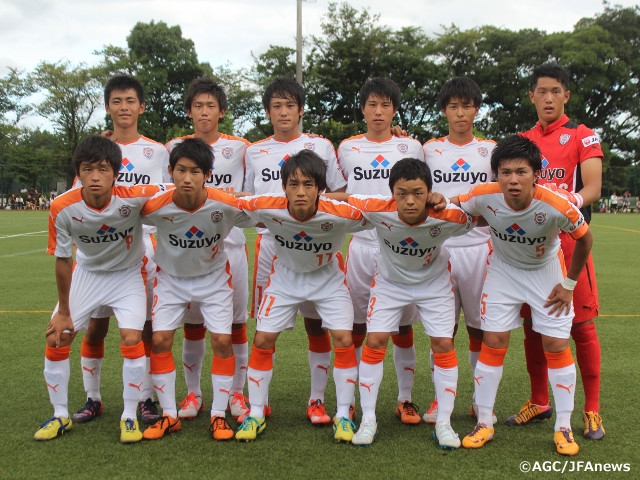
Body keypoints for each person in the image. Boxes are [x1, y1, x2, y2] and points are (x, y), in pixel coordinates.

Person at [457, 135, 593, 456]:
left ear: (535, 174)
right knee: (493, 342)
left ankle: (563, 427)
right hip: (503, 272)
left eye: (521, 172)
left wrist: (570, 284)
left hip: (546, 274)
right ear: (496, 175)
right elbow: (454, 204)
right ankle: (485, 422)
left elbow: (585, 240)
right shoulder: (483, 196)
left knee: (556, 346)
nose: (513, 180)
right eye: (505, 173)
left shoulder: (556, 205)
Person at [327, 158, 476, 448]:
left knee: (443, 344)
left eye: (418, 193)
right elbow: (345, 198)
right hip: (390, 284)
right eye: (402, 193)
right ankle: (369, 419)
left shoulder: (447, 216)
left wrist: (449, 201)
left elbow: (477, 215)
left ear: (430, 191)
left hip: (434, 285)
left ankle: (444, 422)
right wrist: (310, 197)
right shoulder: (377, 208)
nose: (410, 201)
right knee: (376, 340)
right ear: (391, 193)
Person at [235, 149, 370, 443]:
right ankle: (256, 412)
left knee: (344, 339)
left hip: (328, 279)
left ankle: (344, 413)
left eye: (308, 185)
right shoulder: (268, 207)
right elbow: (227, 200)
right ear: (283, 187)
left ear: (321, 189)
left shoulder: (339, 212)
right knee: (263, 339)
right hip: (285, 278)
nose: (300, 192)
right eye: (293, 184)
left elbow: (381, 208)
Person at [35, 135, 159, 443]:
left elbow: (178, 192)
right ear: (78, 172)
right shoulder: (62, 207)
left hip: (127, 275)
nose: (94, 176)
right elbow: (63, 260)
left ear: (116, 174)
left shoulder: (134, 197)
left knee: (132, 338)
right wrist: (63, 311)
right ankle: (62, 413)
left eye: (102, 169)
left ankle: (129, 415)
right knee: (57, 336)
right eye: (87, 169)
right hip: (87, 274)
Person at [243, 77, 347, 424]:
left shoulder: (320, 145)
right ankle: (260, 402)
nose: (283, 112)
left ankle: (317, 400)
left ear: (301, 110)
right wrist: (276, 217)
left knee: (317, 327)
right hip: (275, 248)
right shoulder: (254, 150)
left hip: (317, 246)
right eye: (276, 106)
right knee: (265, 329)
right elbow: (246, 201)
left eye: (290, 105)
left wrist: (308, 212)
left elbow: (339, 193)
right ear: (268, 111)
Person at [71, 75, 170, 427]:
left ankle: (145, 397)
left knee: (143, 329)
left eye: (130, 101)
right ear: (108, 106)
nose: (124, 107)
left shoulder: (157, 152)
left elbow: (164, 199)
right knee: (95, 329)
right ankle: (93, 398)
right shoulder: (95, 148)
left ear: (141, 107)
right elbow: (77, 199)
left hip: (140, 252)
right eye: (117, 101)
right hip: (98, 254)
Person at [513, 63, 605, 441]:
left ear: (566, 95)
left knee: (581, 327)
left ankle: (592, 410)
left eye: (556, 91)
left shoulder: (583, 136)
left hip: (571, 245)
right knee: (533, 328)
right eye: (541, 91)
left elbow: (594, 187)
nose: (548, 98)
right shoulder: (521, 140)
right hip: (529, 250)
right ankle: (540, 400)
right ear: (532, 96)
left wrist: (572, 200)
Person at [140, 138, 253, 441]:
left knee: (221, 341)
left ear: (208, 175)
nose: (187, 178)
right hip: (171, 280)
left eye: (195, 171)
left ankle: (218, 414)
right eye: (180, 170)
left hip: (214, 281)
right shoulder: (154, 206)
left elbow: (264, 212)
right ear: (170, 171)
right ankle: (168, 415)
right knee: (161, 339)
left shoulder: (225, 205)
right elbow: (120, 211)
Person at [337, 77, 425, 424]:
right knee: (358, 324)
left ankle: (405, 399)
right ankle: (357, 396)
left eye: (385, 105)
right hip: (362, 244)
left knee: (402, 327)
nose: (378, 111)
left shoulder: (411, 148)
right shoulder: (346, 147)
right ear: (362, 109)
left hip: (400, 247)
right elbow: (339, 191)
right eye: (372, 104)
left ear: (394, 109)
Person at [166, 78, 252, 422]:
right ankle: (193, 393)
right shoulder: (172, 146)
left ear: (222, 111)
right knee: (193, 326)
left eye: (210, 106)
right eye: (198, 106)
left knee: (234, 325)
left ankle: (237, 394)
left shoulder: (242, 148)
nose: (204, 112)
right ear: (189, 111)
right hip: (186, 252)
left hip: (230, 249)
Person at [422, 77, 496, 425]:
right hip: (442, 247)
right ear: (444, 110)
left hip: (481, 247)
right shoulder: (430, 149)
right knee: (443, 330)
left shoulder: (491, 150)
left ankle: (481, 401)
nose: (461, 113)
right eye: (454, 106)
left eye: (467, 105)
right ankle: (441, 399)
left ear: (477, 110)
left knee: (480, 330)